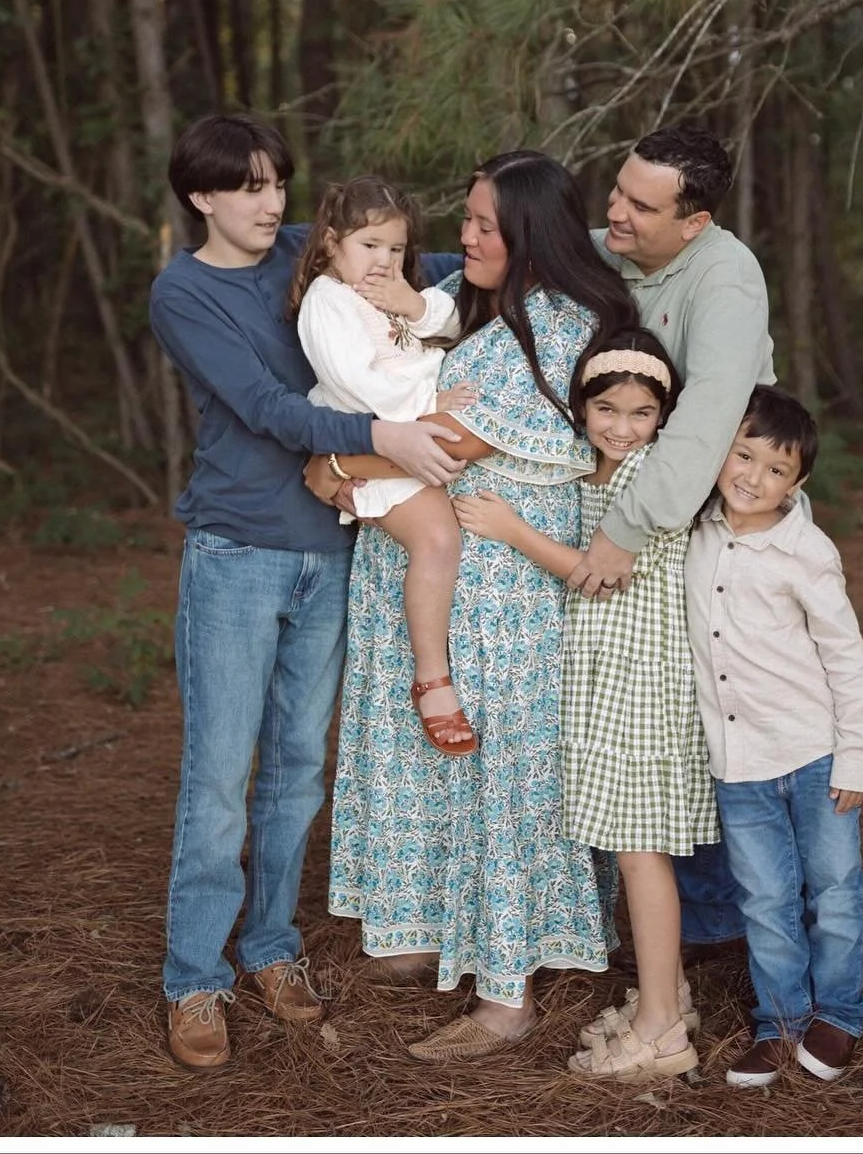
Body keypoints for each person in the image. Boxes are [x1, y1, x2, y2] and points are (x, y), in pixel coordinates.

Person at [147, 112, 467, 1071]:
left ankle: (272, 950)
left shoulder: (307, 247)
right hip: (238, 551)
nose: (269, 202)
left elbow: (439, 263)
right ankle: (193, 975)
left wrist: (550, 246)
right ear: (201, 195)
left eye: (277, 184)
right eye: (245, 186)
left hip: (333, 545)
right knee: (218, 780)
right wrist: (385, 435)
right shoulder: (185, 291)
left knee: (296, 767)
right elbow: (265, 406)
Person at [323, 150, 640, 1062]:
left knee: (499, 777)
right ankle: (425, 929)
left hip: (498, 595)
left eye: (482, 224)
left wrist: (329, 466)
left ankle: (507, 996)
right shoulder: (487, 310)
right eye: (463, 219)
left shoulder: (555, 319)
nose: (461, 239)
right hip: (448, 578)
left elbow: (440, 445)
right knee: (445, 773)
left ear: (531, 233)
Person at [450, 327, 719, 1083]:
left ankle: (663, 1032)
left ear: (662, 417)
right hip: (608, 677)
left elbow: (600, 575)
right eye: (608, 408)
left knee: (640, 853)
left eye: (640, 412)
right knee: (632, 849)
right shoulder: (595, 466)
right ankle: (664, 998)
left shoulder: (650, 476)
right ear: (582, 405)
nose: (623, 425)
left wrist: (510, 528)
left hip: (644, 682)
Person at [576, 125, 775, 948]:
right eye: (616, 190)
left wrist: (622, 530)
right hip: (661, 517)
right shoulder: (618, 246)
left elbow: (705, 424)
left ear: (692, 223)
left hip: (729, 528)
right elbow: (516, 251)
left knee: (723, 718)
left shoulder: (725, 279)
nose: (614, 213)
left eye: (638, 205)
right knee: (662, 719)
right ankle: (678, 938)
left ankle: (730, 939)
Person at [684, 386, 863, 1089]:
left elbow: (847, 658)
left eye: (776, 470)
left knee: (832, 888)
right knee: (764, 898)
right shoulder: (693, 530)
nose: (753, 477)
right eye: (744, 455)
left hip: (812, 754)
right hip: (738, 763)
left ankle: (839, 1012)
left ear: (797, 486)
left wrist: (857, 755)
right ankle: (780, 1022)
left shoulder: (807, 552)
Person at [290, 174, 481, 757]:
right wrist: (434, 391)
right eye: (368, 246)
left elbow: (449, 324)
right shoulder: (327, 302)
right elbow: (359, 387)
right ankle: (432, 679)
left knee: (455, 536)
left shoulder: (391, 290)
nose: (383, 260)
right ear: (330, 244)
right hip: (374, 445)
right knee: (438, 540)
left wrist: (413, 303)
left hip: (410, 434)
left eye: (395, 249)